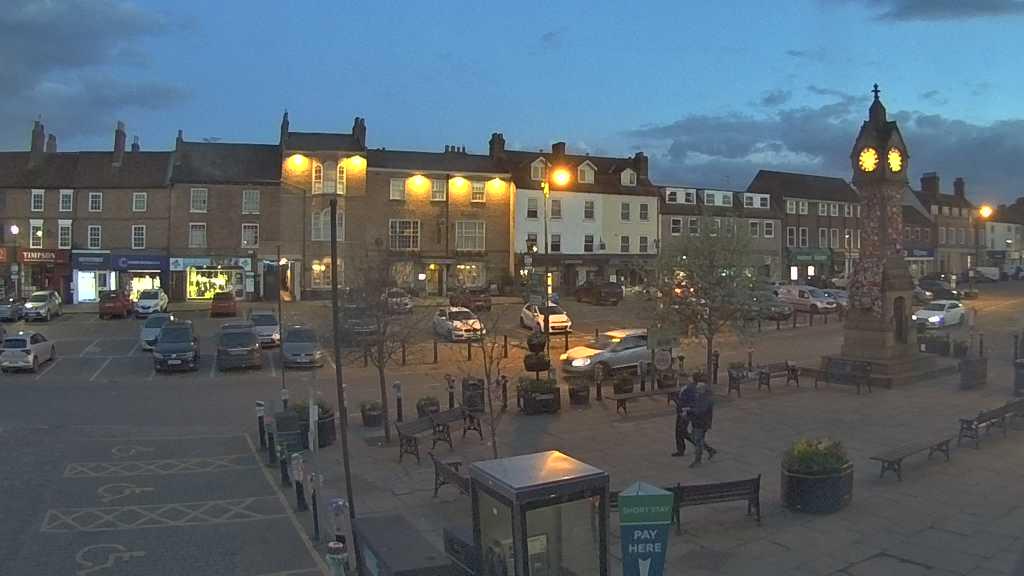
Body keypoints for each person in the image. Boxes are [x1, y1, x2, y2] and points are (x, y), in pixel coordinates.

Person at [689, 382, 718, 467]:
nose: (696, 390)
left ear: (703, 389)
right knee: (694, 438)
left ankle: (698, 460)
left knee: (698, 440)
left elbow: (700, 411)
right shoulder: (699, 396)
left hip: (702, 423)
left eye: (698, 389)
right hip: (697, 421)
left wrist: (690, 410)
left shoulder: (707, 399)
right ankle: (710, 450)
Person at [671, 378, 698, 457]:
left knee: (682, 432)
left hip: (685, 413)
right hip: (681, 412)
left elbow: (690, 402)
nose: (680, 382)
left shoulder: (690, 388)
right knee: (680, 432)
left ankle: (699, 444)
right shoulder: (684, 388)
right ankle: (681, 450)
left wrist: (677, 400)